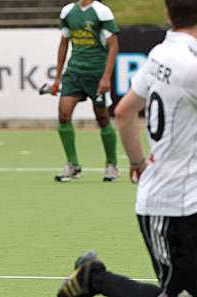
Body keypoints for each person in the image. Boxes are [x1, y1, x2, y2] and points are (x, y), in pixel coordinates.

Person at [57, 0, 197, 297]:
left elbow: (125, 112)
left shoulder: (161, 54)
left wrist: (137, 163)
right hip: (170, 206)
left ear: (169, 14)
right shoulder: (192, 66)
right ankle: (94, 278)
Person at [53, 0, 119, 182]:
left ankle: (111, 165)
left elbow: (113, 45)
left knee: (103, 118)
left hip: (96, 73)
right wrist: (57, 77)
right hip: (74, 72)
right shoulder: (67, 11)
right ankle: (73, 165)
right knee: (63, 115)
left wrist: (106, 77)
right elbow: (64, 43)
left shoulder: (102, 12)